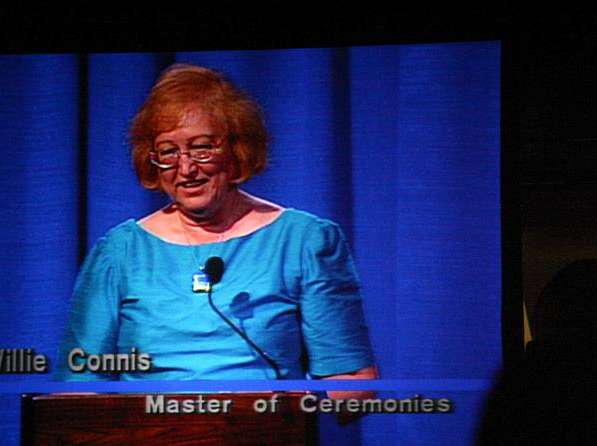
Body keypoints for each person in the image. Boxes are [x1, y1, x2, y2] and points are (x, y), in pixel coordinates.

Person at [57, 64, 376, 395]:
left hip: (264, 439)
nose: (186, 168)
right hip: (146, 442)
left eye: (201, 147)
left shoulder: (305, 242)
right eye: (168, 152)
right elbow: (76, 390)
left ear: (237, 149)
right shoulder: (119, 252)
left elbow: (354, 384)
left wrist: (284, 410)